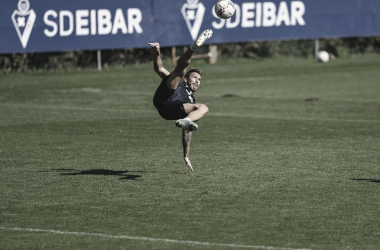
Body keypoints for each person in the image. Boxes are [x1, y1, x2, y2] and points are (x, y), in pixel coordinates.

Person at [148, 29, 213, 172]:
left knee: (203, 108)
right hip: (163, 98)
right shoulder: (180, 82)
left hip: (169, 112)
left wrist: (186, 155)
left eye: (200, 79)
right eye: (194, 77)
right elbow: (159, 68)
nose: (197, 81)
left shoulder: (191, 101)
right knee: (180, 69)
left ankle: (187, 120)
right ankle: (193, 48)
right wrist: (157, 52)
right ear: (187, 79)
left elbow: (187, 132)